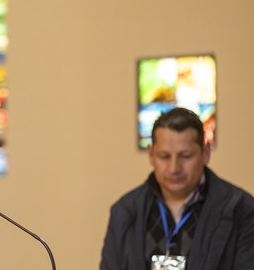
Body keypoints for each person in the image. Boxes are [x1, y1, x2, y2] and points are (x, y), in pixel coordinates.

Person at [100, 107, 254, 270]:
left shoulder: (240, 209)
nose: (174, 168)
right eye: (164, 156)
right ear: (151, 155)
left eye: (185, 156)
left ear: (205, 153)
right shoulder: (125, 211)